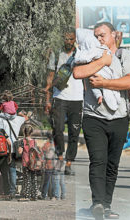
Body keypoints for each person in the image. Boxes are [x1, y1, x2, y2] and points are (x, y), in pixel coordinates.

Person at [73, 22, 130, 220]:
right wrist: (103, 60)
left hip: (119, 118)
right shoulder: (88, 53)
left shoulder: (125, 56)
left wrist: (104, 83)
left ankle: (107, 205)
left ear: (113, 35)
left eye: (102, 35)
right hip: (94, 118)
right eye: (96, 35)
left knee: (112, 164)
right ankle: (98, 203)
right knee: (98, 161)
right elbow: (78, 73)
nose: (99, 39)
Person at [44, 27, 83, 176]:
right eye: (66, 39)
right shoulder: (56, 54)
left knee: (74, 132)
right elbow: (50, 76)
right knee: (57, 130)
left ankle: (69, 163)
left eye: (71, 39)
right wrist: (47, 100)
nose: (68, 42)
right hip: (59, 97)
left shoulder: (80, 55)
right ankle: (60, 157)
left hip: (77, 99)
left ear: (75, 40)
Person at [17, 125, 38, 201]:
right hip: (33, 163)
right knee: (33, 179)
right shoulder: (34, 141)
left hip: (26, 162)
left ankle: (26, 196)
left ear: (24, 132)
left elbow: (20, 151)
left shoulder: (22, 141)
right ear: (31, 132)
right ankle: (34, 195)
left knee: (27, 179)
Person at [40, 132, 57, 201]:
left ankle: (43, 195)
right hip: (55, 164)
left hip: (48, 164)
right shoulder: (56, 144)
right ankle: (53, 195)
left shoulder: (47, 144)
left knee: (46, 181)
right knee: (53, 181)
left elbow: (42, 152)